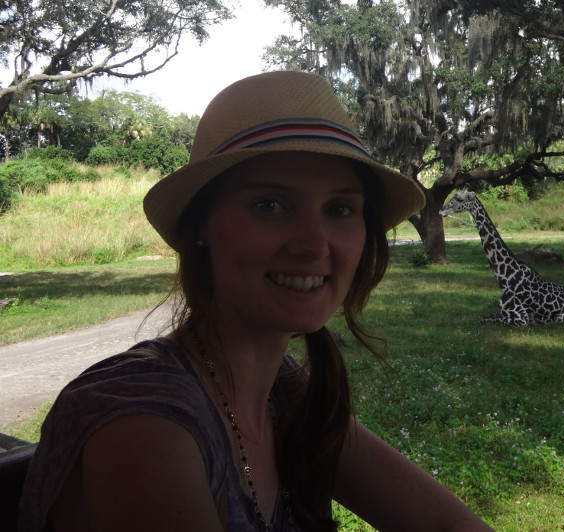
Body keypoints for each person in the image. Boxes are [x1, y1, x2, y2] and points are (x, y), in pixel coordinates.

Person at [18, 71, 494, 532]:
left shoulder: (289, 393)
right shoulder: (143, 422)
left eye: (340, 209)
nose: (314, 244)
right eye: (270, 205)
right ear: (201, 225)